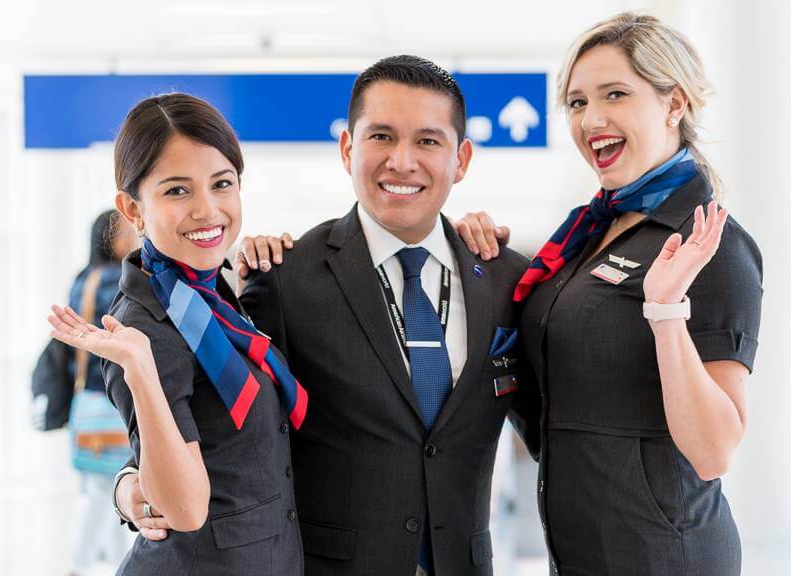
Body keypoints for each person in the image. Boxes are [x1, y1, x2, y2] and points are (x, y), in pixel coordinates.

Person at [114, 55, 541, 576]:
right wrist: (131, 483)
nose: (402, 161)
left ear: (461, 159)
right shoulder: (284, 278)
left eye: (428, 141)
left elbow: (553, 435)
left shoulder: (506, 280)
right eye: (381, 136)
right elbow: (230, 427)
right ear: (347, 148)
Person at [455, 12, 763, 576]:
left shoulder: (708, 244)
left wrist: (666, 311)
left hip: (662, 558)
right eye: (576, 103)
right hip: (579, 551)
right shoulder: (585, 235)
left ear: (675, 105)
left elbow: (714, 451)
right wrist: (484, 264)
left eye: (615, 95)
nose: (591, 119)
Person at [48, 93, 307, 575]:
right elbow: (186, 510)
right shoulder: (143, 326)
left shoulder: (211, 290)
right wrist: (140, 372)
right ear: (133, 208)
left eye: (222, 183)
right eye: (177, 191)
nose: (208, 210)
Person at [66, 209, 137, 576]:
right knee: (110, 490)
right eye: (128, 230)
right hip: (110, 400)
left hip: (87, 401)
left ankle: (100, 563)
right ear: (110, 239)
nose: (136, 236)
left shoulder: (83, 279)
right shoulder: (116, 280)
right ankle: (79, 566)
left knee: (98, 487)